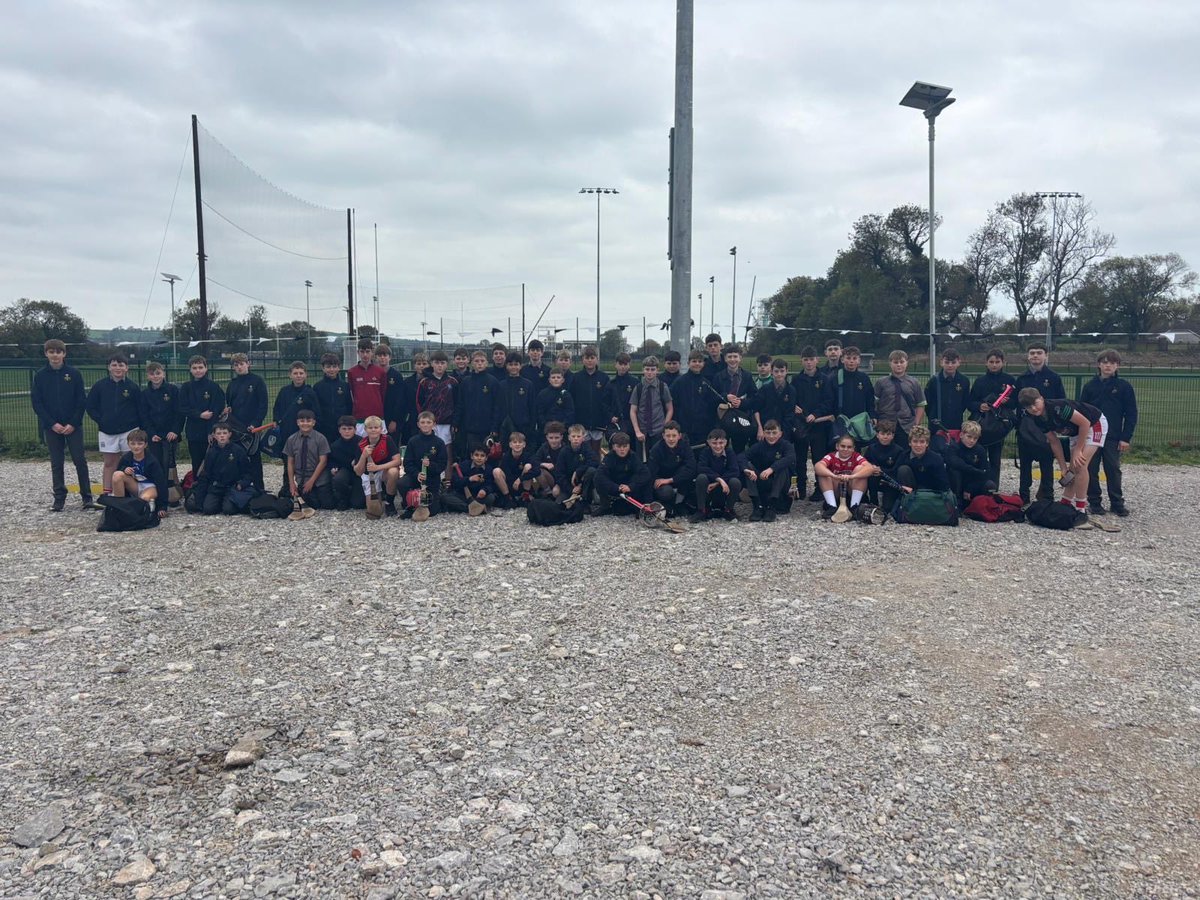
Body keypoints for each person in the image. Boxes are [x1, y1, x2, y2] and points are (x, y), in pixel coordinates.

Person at [1017, 388, 1107, 522]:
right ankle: (1066, 502)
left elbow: (1085, 423)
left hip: (1094, 424)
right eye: (1029, 407)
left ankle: (1081, 509)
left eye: (1035, 403)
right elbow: (1054, 441)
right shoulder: (1037, 420)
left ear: (1041, 398)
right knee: (1071, 470)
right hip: (1075, 432)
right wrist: (1063, 467)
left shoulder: (1058, 407)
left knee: (1080, 465)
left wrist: (1078, 450)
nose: (1034, 409)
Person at [32, 339, 94, 511]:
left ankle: (87, 497)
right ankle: (59, 498)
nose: (55, 355)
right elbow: (37, 403)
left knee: (80, 460)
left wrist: (73, 423)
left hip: (73, 426)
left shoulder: (74, 374)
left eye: (58, 352)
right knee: (56, 462)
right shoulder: (40, 375)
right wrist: (52, 424)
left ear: (64, 354)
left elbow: (81, 400)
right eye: (51, 352)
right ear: (46, 354)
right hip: (52, 427)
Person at [1080, 349, 1137, 517]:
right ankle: (1094, 502)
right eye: (1105, 362)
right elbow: (1082, 411)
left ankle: (1117, 502)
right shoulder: (1090, 387)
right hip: (1093, 435)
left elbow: (1131, 413)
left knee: (1113, 469)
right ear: (1099, 364)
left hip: (1113, 436)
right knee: (1091, 468)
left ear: (1117, 366)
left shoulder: (1124, 387)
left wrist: (1125, 437)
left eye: (1112, 363)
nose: (1108, 366)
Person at [1015, 343, 1065, 503]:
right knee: (1025, 463)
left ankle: (1047, 495)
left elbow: (1061, 401)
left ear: (1046, 356)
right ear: (1028, 356)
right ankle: (1024, 494)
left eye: (1039, 353)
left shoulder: (1054, 378)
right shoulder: (1021, 379)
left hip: (1045, 426)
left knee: (1046, 462)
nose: (1035, 356)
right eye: (1032, 353)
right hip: (1026, 427)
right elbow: (1016, 405)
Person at [86, 353, 143, 494]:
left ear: (127, 368)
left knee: (130, 462)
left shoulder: (132, 387)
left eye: (121, 365)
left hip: (129, 431)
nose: (118, 368)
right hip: (107, 431)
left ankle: (130, 491)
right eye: (114, 365)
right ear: (109, 367)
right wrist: (102, 420)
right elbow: (90, 407)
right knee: (110, 463)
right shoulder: (99, 386)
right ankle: (107, 492)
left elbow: (140, 409)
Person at [967, 348, 1018, 488]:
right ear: (986, 363)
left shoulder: (1009, 380)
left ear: (1003, 362)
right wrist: (979, 406)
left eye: (997, 362)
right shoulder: (980, 381)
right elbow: (970, 403)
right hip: (981, 426)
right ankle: (977, 487)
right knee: (977, 457)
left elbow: (1016, 403)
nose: (994, 365)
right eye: (991, 362)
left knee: (995, 459)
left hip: (998, 427)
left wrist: (1008, 402)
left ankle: (994, 488)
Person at [789, 346, 830, 501]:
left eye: (811, 359)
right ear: (802, 361)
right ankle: (801, 487)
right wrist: (794, 406)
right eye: (806, 360)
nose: (809, 363)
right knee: (800, 458)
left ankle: (820, 489)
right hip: (801, 425)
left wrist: (816, 414)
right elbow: (792, 398)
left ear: (817, 360)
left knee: (819, 459)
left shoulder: (824, 379)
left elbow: (828, 401)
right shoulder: (796, 380)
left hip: (819, 425)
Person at [139, 361, 183, 504]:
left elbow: (179, 413)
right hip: (154, 436)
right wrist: (151, 434)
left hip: (171, 435)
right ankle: (159, 493)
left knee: (170, 464)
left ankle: (172, 494)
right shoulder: (145, 394)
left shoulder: (173, 390)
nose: (156, 376)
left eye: (158, 373)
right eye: (152, 374)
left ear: (163, 373)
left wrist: (175, 431)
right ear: (148, 376)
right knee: (156, 464)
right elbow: (144, 416)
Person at [273, 362, 322, 490]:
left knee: (304, 461)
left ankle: (305, 487)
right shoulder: (284, 392)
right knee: (287, 461)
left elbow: (316, 413)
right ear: (290, 375)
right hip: (287, 433)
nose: (298, 376)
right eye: (295, 373)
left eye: (301, 373)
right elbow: (277, 409)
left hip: (304, 434)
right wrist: (276, 421)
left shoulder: (310, 393)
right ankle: (288, 487)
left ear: (306, 375)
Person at [224, 353, 269, 490]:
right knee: (236, 458)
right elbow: (229, 405)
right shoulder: (232, 384)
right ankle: (240, 488)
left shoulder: (257, 381)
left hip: (252, 427)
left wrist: (255, 423)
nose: (239, 367)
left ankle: (259, 488)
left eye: (241, 364)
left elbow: (263, 405)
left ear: (248, 364)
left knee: (254, 458)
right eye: (236, 365)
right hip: (236, 428)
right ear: (233, 367)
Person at [395, 410, 447, 517]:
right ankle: (408, 503)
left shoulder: (439, 443)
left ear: (434, 424)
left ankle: (436, 495)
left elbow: (442, 464)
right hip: (416, 477)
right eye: (423, 422)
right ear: (418, 424)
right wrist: (417, 474)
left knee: (432, 512)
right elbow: (407, 463)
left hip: (432, 479)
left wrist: (430, 465)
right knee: (402, 483)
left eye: (428, 422)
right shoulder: (413, 441)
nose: (425, 425)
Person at [179, 355, 225, 475]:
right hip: (193, 432)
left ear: (206, 368)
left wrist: (211, 431)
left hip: (210, 432)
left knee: (213, 462)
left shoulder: (213, 387)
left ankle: (213, 490)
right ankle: (198, 489)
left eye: (200, 367)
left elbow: (217, 408)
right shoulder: (186, 387)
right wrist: (199, 415)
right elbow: (182, 408)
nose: (198, 370)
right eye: (194, 368)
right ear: (190, 369)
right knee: (196, 462)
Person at [742, 419, 796, 522]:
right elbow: (742, 457)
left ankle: (772, 507)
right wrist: (746, 469)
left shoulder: (786, 445)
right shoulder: (759, 446)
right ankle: (757, 506)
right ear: (764, 433)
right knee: (748, 468)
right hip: (763, 481)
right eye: (768, 433)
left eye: (774, 433)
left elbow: (790, 458)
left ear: (780, 433)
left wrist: (772, 469)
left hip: (780, 485)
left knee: (782, 467)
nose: (771, 436)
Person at [196, 422, 253, 515]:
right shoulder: (211, 452)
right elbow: (205, 474)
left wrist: (242, 484)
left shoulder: (238, 450)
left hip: (232, 487)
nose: (222, 436)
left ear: (229, 434)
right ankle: (219, 502)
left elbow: (248, 472)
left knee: (228, 510)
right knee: (208, 510)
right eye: (218, 434)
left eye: (224, 433)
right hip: (216, 487)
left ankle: (227, 503)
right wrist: (199, 500)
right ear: (214, 436)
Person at [873, 350, 926, 448]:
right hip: (886, 423)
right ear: (890, 363)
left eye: (902, 362)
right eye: (895, 362)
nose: (899, 365)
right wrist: (876, 419)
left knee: (904, 451)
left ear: (907, 363)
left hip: (906, 424)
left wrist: (916, 423)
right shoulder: (881, 382)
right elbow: (874, 403)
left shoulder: (914, 382)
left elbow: (921, 404)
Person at [111, 429, 168, 518]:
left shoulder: (152, 461)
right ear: (128, 444)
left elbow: (161, 483)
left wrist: (163, 507)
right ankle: (120, 507)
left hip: (150, 487)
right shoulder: (126, 458)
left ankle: (149, 505)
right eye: (133, 444)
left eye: (139, 444)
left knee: (143, 499)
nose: (136, 447)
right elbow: (119, 469)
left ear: (145, 445)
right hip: (135, 485)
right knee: (117, 475)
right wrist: (124, 469)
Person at [283, 409, 333, 509]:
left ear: (313, 422)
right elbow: (290, 463)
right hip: (302, 478)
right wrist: (292, 484)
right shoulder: (292, 439)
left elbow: (323, 461)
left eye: (308, 421)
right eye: (302, 421)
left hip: (319, 477)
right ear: (297, 422)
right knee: (306, 503)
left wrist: (311, 481)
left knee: (327, 505)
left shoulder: (320, 438)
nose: (305, 424)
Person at [712, 344, 758, 453]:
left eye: (735, 356)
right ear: (725, 359)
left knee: (739, 449)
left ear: (740, 358)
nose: (732, 360)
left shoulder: (747, 376)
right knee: (722, 448)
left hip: (740, 418)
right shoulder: (719, 376)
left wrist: (742, 403)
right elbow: (712, 397)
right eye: (730, 357)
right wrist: (725, 397)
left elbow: (755, 397)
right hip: (723, 418)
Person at [814, 434, 873, 519]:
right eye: (843, 446)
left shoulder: (856, 456)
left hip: (851, 492)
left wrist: (852, 476)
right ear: (837, 446)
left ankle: (854, 507)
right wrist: (834, 476)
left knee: (860, 468)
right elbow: (818, 466)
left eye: (849, 447)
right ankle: (832, 507)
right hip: (836, 494)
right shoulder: (831, 456)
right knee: (824, 473)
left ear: (853, 448)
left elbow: (869, 468)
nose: (846, 449)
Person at [353, 414, 402, 514]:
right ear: (365, 429)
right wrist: (363, 455)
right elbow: (358, 472)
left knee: (393, 472)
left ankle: (389, 503)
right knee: (375, 511)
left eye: (376, 427)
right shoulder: (361, 444)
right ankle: (378, 497)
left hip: (383, 471)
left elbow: (397, 461)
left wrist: (377, 467)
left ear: (381, 429)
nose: (373, 430)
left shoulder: (387, 439)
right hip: (369, 475)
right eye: (370, 428)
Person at [457, 350, 501, 461]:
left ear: (487, 363)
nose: (479, 363)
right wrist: (456, 423)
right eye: (476, 361)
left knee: (488, 457)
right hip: (470, 429)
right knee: (473, 457)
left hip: (487, 429)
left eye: (482, 361)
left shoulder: (493, 382)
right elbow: (460, 404)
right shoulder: (465, 382)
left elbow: (497, 407)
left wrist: (494, 428)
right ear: (471, 363)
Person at [593, 432, 651, 515]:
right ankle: (605, 506)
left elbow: (646, 474)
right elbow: (599, 476)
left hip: (630, 488)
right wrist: (617, 487)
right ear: (613, 447)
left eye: (625, 446)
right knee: (597, 479)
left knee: (645, 478)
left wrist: (631, 486)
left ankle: (646, 506)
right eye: (619, 446)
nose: (622, 449)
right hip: (615, 487)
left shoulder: (633, 456)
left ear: (629, 446)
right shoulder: (609, 457)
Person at [692, 428, 743, 522]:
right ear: (709, 442)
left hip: (724, 488)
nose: (718, 446)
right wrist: (719, 479)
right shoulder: (705, 452)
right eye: (714, 443)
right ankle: (701, 510)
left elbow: (735, 471)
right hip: (708, 488)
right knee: (701, 477)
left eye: (721, 443)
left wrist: (718, 483)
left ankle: (729, 510)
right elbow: (701, 468)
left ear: (726, 442)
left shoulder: (730, 452)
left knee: (735, 482)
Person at [670, 350, 719, 448]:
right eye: (694, 361)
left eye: (700, 361)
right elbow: (672, 404)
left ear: (703, 364)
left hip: (702, 429)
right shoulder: (679, 382)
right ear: (688, 363)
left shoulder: (706, 383)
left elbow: (711, 405)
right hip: (683, 428)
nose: (697, 364)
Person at [647, 421, 696, 514]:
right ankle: (666, 505)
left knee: (687, 476)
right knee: (666, 492)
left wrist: (671, 480)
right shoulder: (656, 449)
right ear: (663, 436)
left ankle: (679, 504)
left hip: (676, 479)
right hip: (662, 482)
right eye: (668, 435)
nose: (671, 439)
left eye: (674, 435)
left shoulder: (685, 446)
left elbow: (692, 468)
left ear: (679, 436)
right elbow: (651, 472)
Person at [568, 346, 609, 455]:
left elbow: (608, 400)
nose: (590, 360)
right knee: (583, 454)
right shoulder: (576, 377)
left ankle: (597, 472)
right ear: (582, 359)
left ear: (597, 359)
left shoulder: (604, 378)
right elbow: (571, 400)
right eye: (587, 358)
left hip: (598, 422)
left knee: (596, 453)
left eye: (592, 357)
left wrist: (605, 419)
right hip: (581, 423)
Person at [415, 350, 459, 452]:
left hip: (446, 423)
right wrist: (423, 420)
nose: (440, 366)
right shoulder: (424, 382)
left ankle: (447, 469)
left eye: (442, 363)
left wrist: (455, 422)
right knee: (428, 451)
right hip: (429, 423)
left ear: (447, 364)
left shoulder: (453, 382)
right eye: (437, 363)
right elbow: (419, 403)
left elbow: (457, 403)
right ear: (432, 364)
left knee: (447, 451)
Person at [629, 356, 673, 457]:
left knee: (657, 459)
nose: (650, 372)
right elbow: (633, 411)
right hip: (642, 431)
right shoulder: (638, 388)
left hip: (658, 430)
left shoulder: (663, 387)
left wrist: (664, 428)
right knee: (641, 460)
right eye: (647, 369)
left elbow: (670, 409)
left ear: (657, 370)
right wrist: (637, 431)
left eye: (653, 369)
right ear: (643, 370)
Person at [943, 420, 995, 506]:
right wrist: (974, 470)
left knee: (990, 485)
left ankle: (983, 505)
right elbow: (954, 463)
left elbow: (985, 472)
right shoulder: (953, 447)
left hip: (972, 484)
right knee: (954, 471)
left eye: (975, 438)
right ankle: (956, 504)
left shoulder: (980, 450)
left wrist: (970, 488)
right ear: (961, 435)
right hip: (957, 484)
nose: (972, 441)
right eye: (969, 437)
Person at [894, 424, 950, 499]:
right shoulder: (903, 456)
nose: (918, 445)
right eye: (915, 441)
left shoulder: (936, 459)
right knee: (903, 469)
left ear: (927, 443)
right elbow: (894, 474)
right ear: (909, 443)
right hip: (909, 492)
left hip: (930, 494)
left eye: (922, 442)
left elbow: (943, 484)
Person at [926, 349, 971, 435]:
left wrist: (956, 412)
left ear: (959, 362)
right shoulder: (934, 381)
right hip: (936, 424)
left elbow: (965, 402)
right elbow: (928, 403)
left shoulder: (964, 381)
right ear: (941, 362)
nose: (950, 365)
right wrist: (933, 415)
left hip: (956, 423)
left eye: (953, 362)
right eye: (947, 362)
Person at [861, 420, 904, 509]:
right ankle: (872, 502)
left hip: (889, 481)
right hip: (873, 479)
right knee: (870, 477)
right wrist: (872, 468)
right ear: (877, 435)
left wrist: (882, 471)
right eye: (882, 434)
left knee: (887, 508)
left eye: (888, 434)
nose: (885, 437)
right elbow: (864, 463)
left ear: (892, 436)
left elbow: (897, 469)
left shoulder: (899, 450)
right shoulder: (871, 448)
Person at [556, 423, 599, 509]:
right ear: (569, 437)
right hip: (569, 485)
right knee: (559, 504)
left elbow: (595, 462)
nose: (576, 439)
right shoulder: (564, 452)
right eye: (573, 436)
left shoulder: (587, 448)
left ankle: (585, 500)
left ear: (583, 437)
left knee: (591, 470)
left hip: (583, 484)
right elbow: (559, 474)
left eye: (578, 436)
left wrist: (578, 471)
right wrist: (571, 489)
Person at [329, 416, 368, 510]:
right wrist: (333, 468)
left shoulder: (362, 442)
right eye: (344, 429)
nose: (347, 431)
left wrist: (358, 461)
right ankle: (343, 499)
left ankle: (355, 494)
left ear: (355, 429)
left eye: (350, 429)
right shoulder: (335, 445)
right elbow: (332, 460)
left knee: (357, 504)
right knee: (338, 479)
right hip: (345, 470)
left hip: (360, 473)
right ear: (339, 430)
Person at [496, 351, 536, 443]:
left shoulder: (528, 384)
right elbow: (498, 407)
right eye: (510, 364)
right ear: (506, 366)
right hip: (505, 428)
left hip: (523, 427)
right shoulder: (501, 385)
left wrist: (531, 427)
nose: (513, 367)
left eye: (516, 364)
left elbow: (532, 407)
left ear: (520, 366)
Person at [754, 358, 796, 442]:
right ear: (771, 371)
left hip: (782, 432)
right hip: (765, 431)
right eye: (776, 371)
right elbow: (756, 409)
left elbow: (790, 414)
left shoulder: (791, 390)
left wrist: (782, 433)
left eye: (782, 371)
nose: (779, 374)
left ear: (787, 371)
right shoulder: (765, 389)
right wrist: (760, 428)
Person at [314, 352, 353, 442]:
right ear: (323, 368)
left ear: (339, 367)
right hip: (324, 426)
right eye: (328, 367)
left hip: (341, 426)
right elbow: (316, 407)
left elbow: (349, 405)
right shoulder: (318, 387)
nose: (331, 369)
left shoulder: (345, 385)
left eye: (334, 366)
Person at [348, 338, 387, 423]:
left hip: (377, 416)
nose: (365, 355)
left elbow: (383, 394)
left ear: (372, 352)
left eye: (368, 352)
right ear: (358, 352)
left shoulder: (380, 372)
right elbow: (352, 394)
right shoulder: (352, 372)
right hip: (359, 417)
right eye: (362, 352)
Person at [494, 430, 537, 507]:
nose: (517, 444)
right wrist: (514, 483)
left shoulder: (529, 456)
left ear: (524, 445)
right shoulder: (505, 457)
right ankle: (508, 498)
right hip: (509, 485)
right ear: (510, 445)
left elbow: (537, 471)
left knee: (528, 466)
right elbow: (506, 474)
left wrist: (520, 479)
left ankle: (525, 496)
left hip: (523, 484)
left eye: (520, 442)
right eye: (515, 442)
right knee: (496, 471)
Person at [453, 445, 499, 515]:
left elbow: (491, 485)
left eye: (482, 456)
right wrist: (469, 479)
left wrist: (485, 490)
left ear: (486, 458)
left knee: (491, 497)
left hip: (479, 497)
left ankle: (472, 507)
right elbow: (455, 482)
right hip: (464, 496)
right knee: (445, 497)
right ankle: (474, 508)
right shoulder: (463, 465)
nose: (479, 458)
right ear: (472, 456)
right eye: (476, 455)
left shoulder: (489, 469)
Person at [605, 352, 638, 439]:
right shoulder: (610, 384)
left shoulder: (635, 383)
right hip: (616, 423)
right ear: (615, 365)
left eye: (625, 364)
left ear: (629, 365)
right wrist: (610, 416)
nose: (623, 367)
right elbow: (605, 403)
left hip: (631, 422)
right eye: (620, 364)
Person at [532, 422, 567, 498]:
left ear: (561, 437)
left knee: (556, 493)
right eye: (551, 438)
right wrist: (543, 464)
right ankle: (548, 493)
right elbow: (534, 460)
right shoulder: (544, 447)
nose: (554, 441)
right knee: (537, 469)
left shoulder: (566, 450)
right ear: (547, 437)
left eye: (556, 438)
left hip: (562, 479)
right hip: (549, 477)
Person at [536, 369, 575, 435]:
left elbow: (570, 412)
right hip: (546, 430)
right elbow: (539, 412)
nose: (556, 379)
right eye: (553, 377)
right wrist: (546, 425)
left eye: (558, 377)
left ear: (563, 380)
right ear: (549, 380)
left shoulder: (566, 395)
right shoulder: (542, 394)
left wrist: (563, 426)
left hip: (562, 431)